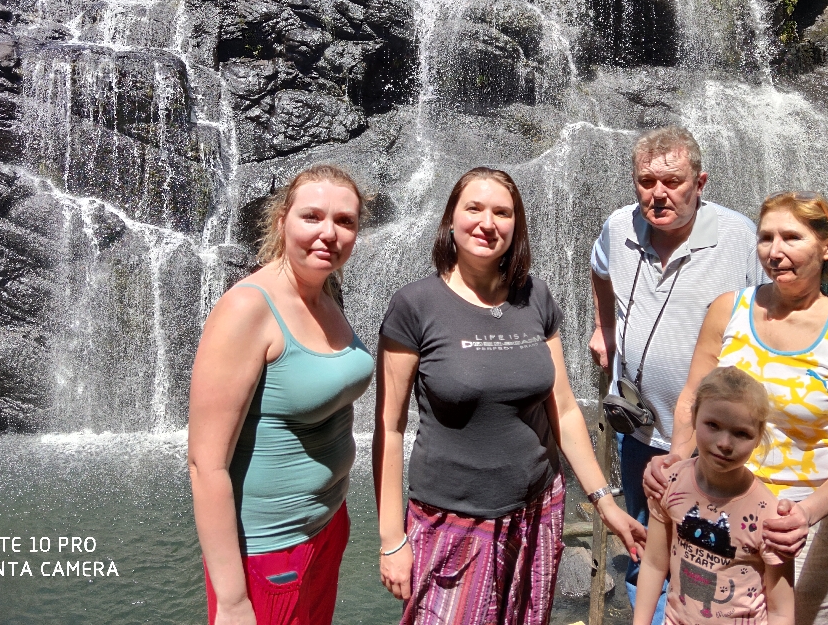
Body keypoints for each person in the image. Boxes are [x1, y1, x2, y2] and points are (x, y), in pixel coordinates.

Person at [374, 166, 645, 625]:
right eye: (474, 208)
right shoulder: (414, 305)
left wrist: (605, 502)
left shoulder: (534, 296)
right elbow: (389, 425)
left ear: (515, 226)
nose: (488, 222)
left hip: (539, 510)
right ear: (450, 220)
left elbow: (561, 406)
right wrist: (390, 540)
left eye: (502, 212)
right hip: (453, 518)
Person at [647, 191, 828, 625]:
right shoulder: (728, 310)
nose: (775, 252)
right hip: (716, 503)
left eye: (791, 237)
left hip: (808, 525)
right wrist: (676, 459)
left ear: (827, 245)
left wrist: (805, 513)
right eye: (765, 238)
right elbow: (691, 398)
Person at [588, 126, 765, 617]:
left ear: (700, 182)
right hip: (639, 430)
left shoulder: (738, 237)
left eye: (672, 180)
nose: (657, 193)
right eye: (646, 181)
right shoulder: (617, 227)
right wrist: (605, 327)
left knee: (709, 559)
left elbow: (773, 307)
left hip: (714, 439)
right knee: (645, 545)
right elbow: (600, 270)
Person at [187, 165, 376, 625]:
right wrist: (232, 602)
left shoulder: (326, 291)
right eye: (312, 217)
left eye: (345, 221)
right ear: (281, 222)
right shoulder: (247, 307)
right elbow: (204, 465)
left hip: (326, 526)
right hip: (270, 553)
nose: (328, 233)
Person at [633, 366, 794, 625]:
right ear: (694, 416)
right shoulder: (670, 482)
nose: (725, 443)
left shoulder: (769, 515)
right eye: (713, 425)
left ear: (758, 437)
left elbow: (780, 609)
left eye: (741, 433)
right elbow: (653, 563)